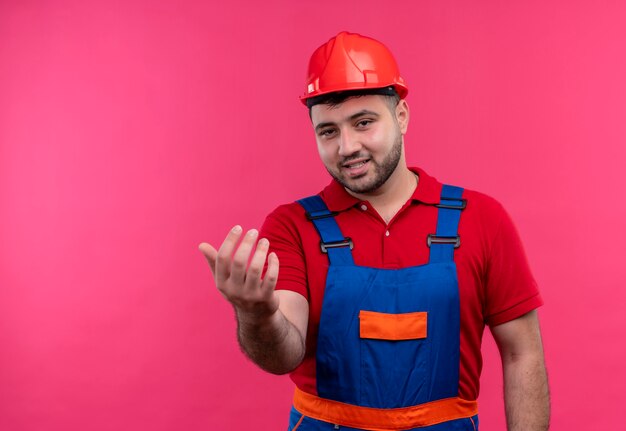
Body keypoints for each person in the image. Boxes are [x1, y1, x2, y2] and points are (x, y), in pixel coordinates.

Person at [199, 31, 550, 431]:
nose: (347, 146)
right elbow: (284, 355)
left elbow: (523, 355)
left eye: (363, 122)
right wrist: (255, 313)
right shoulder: (291, 226)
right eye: (328, 131)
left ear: (401, 116)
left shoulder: (482, 218)